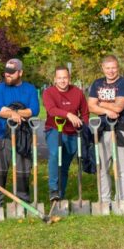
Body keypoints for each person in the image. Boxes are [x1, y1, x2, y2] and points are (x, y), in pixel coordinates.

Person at [88, 55, 124, 204]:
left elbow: (119, 107)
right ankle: (105, 200)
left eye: (113, 68)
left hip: (121, 129)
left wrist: (100, 103)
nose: (111, 71)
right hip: (102, 130)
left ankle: (119, 200)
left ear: (118, 67)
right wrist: (108, 110)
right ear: (102, 68)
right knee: (102, 168)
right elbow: (90, 106)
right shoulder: (97, 84)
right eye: (108, 68)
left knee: (121, 168)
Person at [0, 58, 40, 204]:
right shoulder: (0, 88)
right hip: (1, 135)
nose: (8, 75)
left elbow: (34, 110)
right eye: (6, 72)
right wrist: (14, 113)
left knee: (22, 172)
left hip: (24, 137)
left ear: (20, 72)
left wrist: (12, 112)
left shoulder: (30, 89)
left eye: (12, 73)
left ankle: (22, 203)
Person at [43, 66, 88, 200]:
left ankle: (59, 195)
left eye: (65, 77)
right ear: (55, 79)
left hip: (73, 133)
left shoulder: (78, 92)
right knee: (55, 155)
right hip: (54, 129)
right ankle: (53, 189)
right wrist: (68, 115)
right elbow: (51, 110)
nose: (62, 81)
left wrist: (83, 126)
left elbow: (85, 113)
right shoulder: (48, 92)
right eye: (59, 78)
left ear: (69, 78)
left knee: (65, 165)